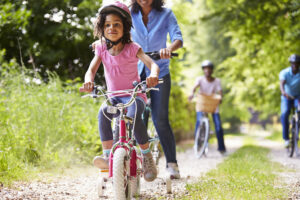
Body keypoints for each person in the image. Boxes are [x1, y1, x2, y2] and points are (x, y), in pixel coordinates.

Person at [80, 1, 160, 182]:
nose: (112, 28)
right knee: (103, 114)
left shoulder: (133, 48)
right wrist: (88, 81)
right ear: (102, 28)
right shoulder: (100, 48)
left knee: (133, 116)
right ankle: (108, 156)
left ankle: (146, 156)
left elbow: (152, 64)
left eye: (117, 24)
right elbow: (91, 70)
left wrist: (153, 75)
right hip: (113, 97)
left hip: (134, 96)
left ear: (125, 27)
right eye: (107, 25)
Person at [130, 0, 183, 179]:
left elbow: (178, 38)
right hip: (136, 73)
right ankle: (137, 161)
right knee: (136, 116)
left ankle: (171, 163)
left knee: (160, 119)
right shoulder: (128, 14)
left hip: (160, 72)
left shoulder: (166, 14)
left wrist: (168, 49)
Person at [188, 60, 226, 154]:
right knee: (199, 121)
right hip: (202, 103)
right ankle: (197, 144)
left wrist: (220, 97)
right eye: (205, 68)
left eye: (209, 68)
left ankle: (221, 148)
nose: (207, 70)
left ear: (212, 70)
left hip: (212, 103)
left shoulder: (217, 81)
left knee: (218, 126)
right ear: (203, 70)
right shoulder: (200, 79)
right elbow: (194, 87)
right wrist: (192, 94)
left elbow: (220, 91)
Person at [279, 54, 300, 147]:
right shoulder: (285, 72)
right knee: (285, 113)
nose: (295, 65)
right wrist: (283, 92)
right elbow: (282, 84)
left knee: (299, 111)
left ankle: (297, 130)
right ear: (290, 63)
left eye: (296, 63)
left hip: (298, 96)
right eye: (293, 63)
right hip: (287, 96)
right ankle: (286, 139)